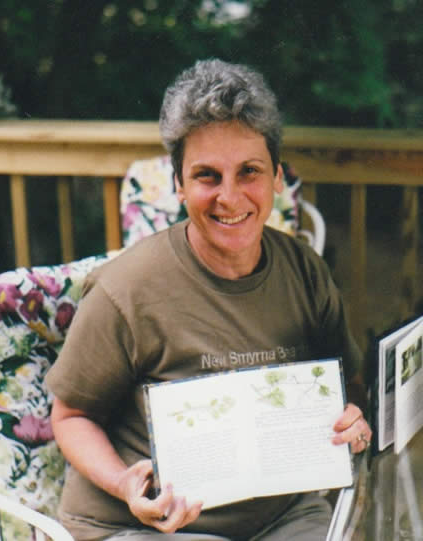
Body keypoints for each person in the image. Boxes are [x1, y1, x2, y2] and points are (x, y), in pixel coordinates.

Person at [47, 58, 371, 541]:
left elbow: (349, 393)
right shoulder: (126, 290)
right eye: (206, 176)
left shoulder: (305, 272)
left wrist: (354, 425)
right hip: (149, 525)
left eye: (249, 172)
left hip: (280, 516)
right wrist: (124, 484)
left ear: (277, 177)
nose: (230, 196)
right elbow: (70, 416)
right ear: (178, 184)